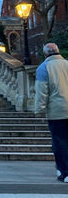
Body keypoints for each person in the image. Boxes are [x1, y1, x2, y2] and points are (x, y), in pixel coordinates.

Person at [35, 43, 68, 182]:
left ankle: (65, 172)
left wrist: (39, 109)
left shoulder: (43, 68)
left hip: (57, 111)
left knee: (60, 142)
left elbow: (42, 91)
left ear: (45, 54)